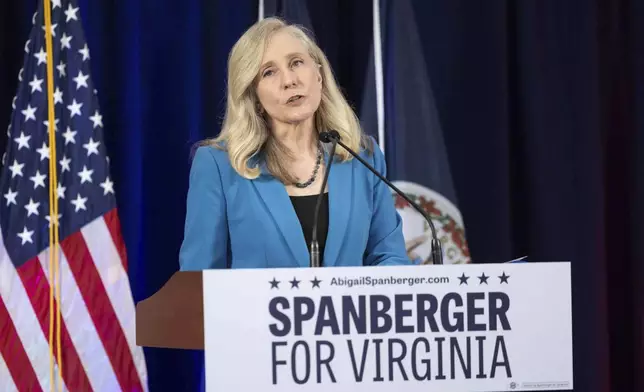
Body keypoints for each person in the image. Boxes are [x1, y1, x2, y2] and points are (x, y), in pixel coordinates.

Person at [178, 17, 410, 271]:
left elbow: (390, 258)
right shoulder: (219, 167)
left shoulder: (362, 157)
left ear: (319, 75)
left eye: (296, 63)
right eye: (269, 72)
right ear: (254, 96)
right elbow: (198, 279)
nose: (289, 80)